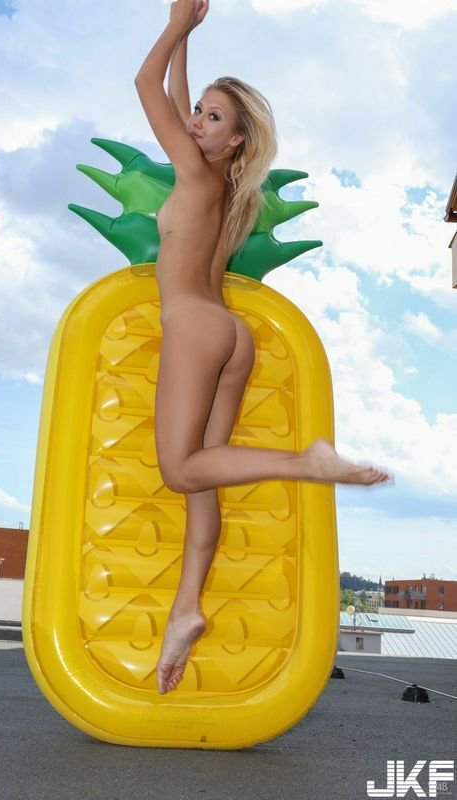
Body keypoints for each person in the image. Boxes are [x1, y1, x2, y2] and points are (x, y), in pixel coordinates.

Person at [134, 0, 392, 696]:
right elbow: (177, 101)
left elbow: (144, 86)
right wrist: (190, 38)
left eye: (212, 117)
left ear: (236, 140)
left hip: (195, 327)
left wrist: (173, 28)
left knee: (180, 472)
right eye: (199, 113)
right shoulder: (221, 183)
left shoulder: (196, 174)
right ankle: (185, 612)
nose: (195, 121)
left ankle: (307, 463)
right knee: (203, 485)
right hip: (230, 338)